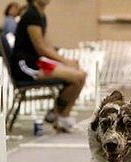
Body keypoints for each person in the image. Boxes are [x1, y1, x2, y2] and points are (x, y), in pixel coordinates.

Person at [11, 0, 86, 132]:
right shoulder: (31, 16)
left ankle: (62, 115)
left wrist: (66, 61)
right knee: (75, 76)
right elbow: (41, 48)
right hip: (25, 66)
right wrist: (65, 61)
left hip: (37, 62)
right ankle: (58, 114)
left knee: (81, 75)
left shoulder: (41, 15)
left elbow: (47, 45)